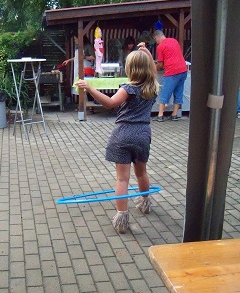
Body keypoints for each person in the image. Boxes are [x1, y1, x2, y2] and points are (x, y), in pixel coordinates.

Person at [75, 42, 159, 234]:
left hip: (123, 134)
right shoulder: (152, 88)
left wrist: (89, 88)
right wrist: (145, 52)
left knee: (122, 180)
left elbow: (110, 104)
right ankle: (145, 203)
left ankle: (122, 217)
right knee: (141, 173)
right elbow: (152, 70)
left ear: (130, 69)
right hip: (143, 135)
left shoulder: (129, 88)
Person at [153, 30, 187, 122]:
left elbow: (160, 64)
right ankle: (174, 115)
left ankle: (160, 115)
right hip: (183, 70)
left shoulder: (160, 46)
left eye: (155, 40)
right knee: (178, 93)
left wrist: (152, 70)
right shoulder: (174, 41)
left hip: (172, 71)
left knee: (165, 93)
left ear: (157, 38)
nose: (156, 42)